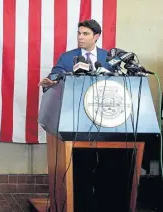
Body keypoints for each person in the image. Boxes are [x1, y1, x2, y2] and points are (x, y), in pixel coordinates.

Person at [38, 19, 127, 212]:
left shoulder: (108, 57)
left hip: (107, 123)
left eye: (85, 34)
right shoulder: (67, 57)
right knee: (81, 166)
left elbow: (120, 82)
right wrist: (51, 81)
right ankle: (80, 204)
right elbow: (56, 74)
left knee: (109, 166)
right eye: (79, 33)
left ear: (96, 36)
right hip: (77, 121)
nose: (80, 37)